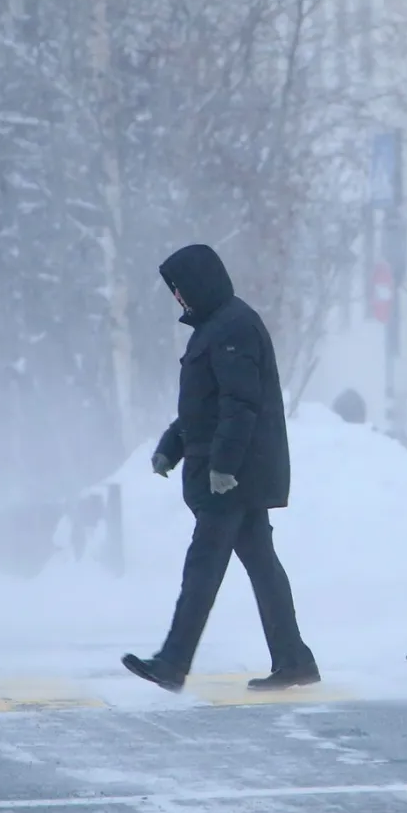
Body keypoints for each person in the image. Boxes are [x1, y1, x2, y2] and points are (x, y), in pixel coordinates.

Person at [122, 244, 320, 693]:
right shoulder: (217, 326)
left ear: (199, 283)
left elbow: (240, 404)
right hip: (230, 473)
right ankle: (293, 660)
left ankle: (173, 662)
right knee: (262, 567)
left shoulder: (233, 327)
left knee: (203, 567)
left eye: (180, 289)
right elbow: (204, 405)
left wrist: (223, 466)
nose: (178, 299)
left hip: (232, 478)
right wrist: (172, 446)